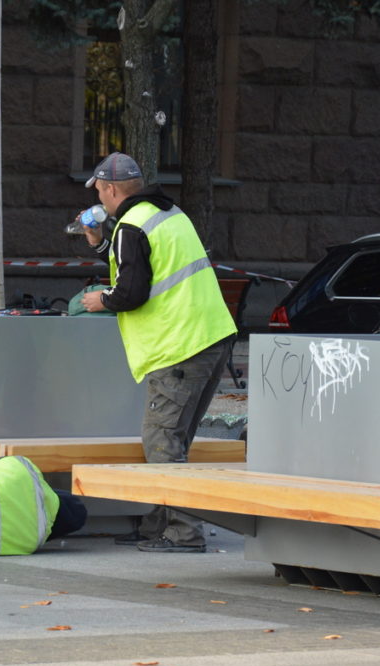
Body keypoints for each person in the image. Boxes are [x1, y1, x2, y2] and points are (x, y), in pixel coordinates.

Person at [78, 152, 237, 553]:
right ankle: (156, 525)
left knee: (162, 439)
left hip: (179, 346)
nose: (99, 196)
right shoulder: (165, 213)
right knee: (173, 437)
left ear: (111, 189)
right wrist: (99, 244)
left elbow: (130, 290)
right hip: (211, 337)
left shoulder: (132, 226)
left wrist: (100, 299)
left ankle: (183, 534)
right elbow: (144, 264)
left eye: (99, 190)